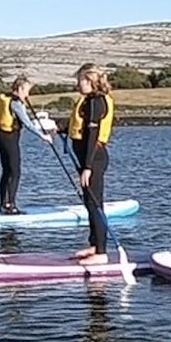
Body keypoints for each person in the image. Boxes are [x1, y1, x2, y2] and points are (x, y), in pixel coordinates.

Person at [67, 64, 116, 263]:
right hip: (86, 157)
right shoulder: (88, 101)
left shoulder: (97, 102)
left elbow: (93, 134)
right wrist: (58, 128)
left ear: (90, 81)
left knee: (95, 203)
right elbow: (81, 128)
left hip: (94, 158)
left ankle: (102, 253)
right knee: (88, 202)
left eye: (79, 80)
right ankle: (94, 244)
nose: (77, 84)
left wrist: (87, 167)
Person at [0, 75, 51, 213]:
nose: (27, 94)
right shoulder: (16, 103)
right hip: (10, 138)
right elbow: (27, 123)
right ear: (19, 88)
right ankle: (10, 205)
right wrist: (43, 136)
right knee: (15, 172)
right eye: (26, 91)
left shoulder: (6, 98)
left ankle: (3, 204)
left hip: (2, 137)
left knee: (7, 171)